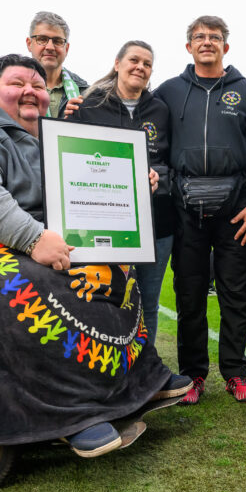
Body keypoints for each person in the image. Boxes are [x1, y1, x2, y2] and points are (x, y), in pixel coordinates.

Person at [0, 54, 190, 458]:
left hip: (24, 236)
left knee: (115, 266)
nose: (30, 91)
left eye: (37, 85)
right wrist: (33, 238)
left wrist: (134, 180)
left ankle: (138, 381)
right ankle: (71, 411)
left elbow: (85, 187)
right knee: (41, 282)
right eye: (17, 83)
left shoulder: (45, 137)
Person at [154, 15, 246, 405]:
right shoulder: (168, 91)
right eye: (200, 37)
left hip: (235, 210)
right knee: (189, 295)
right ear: (189, 46)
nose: (207, 42)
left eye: (215, 37)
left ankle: (235, 374)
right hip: (185, 210)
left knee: (234, 295)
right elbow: (143, 128)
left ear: (226, 46)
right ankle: (193, 375)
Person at [67, 40, 174, 348]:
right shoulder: (88, 105)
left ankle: (147, 366)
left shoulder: (160, 110)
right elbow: (73, 161)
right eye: (134, 60)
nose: (140, 67)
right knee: (106, 301)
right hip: (103, 226)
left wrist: (158, 177)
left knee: (149, 304)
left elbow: (171, 162)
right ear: (117, 64)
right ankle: (110, 367)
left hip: (156, 224)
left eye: (147, 64)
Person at [26, 11, 88, 118]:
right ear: (29, 44)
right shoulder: (14, 90)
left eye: (57, 41)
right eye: (42, 39)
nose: (50, 47)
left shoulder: (86, 94)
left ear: (66, 48)